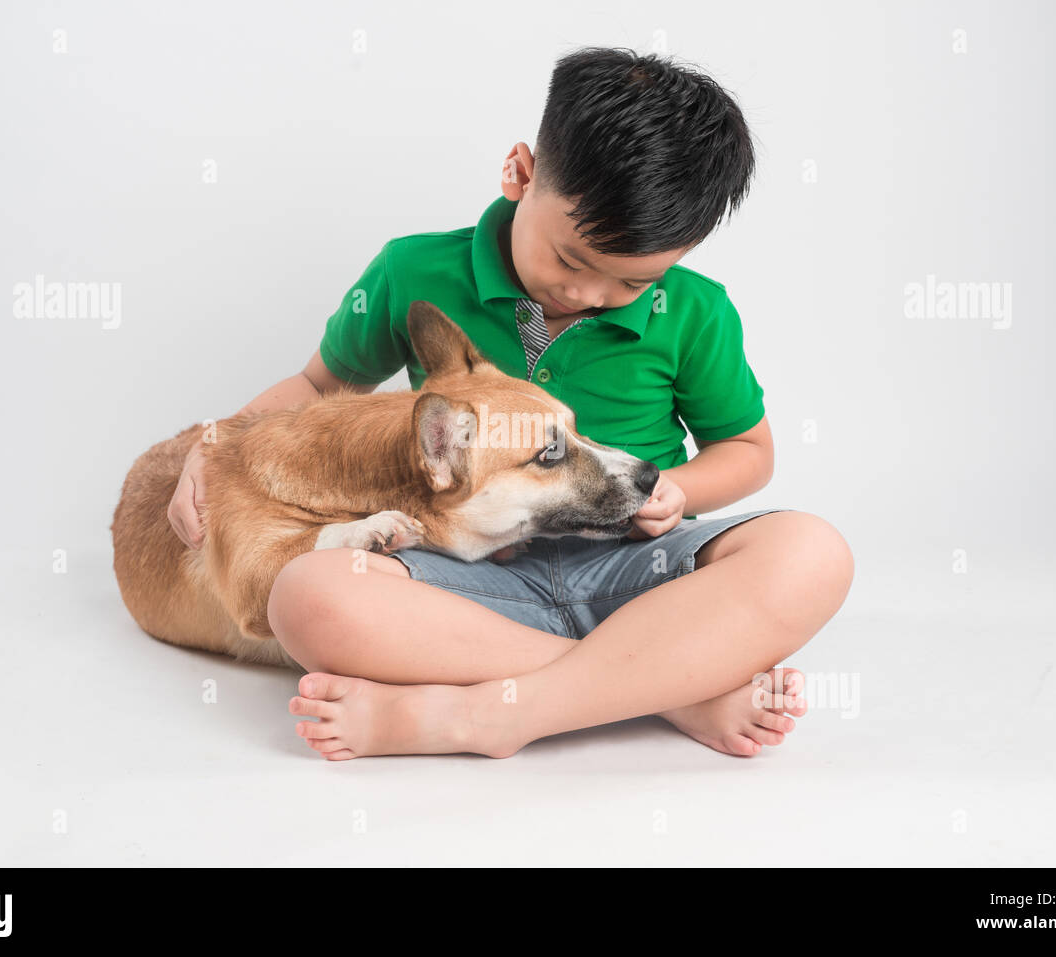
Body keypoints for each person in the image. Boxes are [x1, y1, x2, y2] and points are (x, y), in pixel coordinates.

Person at [167, 46, 854, 760]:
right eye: (571, 260)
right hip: (461, 576)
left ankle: (478, 713)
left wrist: (679, 487)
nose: (588, 295)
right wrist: (217, 443)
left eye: (630, 284)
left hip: (633, 565)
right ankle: (667, 685)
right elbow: (315, 388)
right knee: (306, 595)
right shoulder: (412, 270)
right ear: (521, 174)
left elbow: (749, 451)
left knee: (811, 553)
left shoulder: (698, 311)